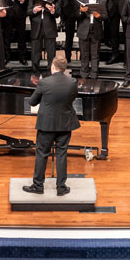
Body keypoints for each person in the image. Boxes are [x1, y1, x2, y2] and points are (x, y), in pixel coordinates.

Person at [22, 56, 80, 197]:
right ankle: (61, 187)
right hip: (65, 123)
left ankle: (38, 186)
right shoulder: (72, 82)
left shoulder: (44, 83)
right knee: (62, 154)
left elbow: (32, 102)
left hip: (47, 124)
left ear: (53, 67)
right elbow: (72, 98)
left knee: (42, 154)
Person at [75, 0, 107, 80]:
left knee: (95, 54)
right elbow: (76, 16)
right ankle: (84, 75)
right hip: (83, 30)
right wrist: (81, 12)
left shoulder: (102, 0)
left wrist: (99, 16)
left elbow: (106, 16)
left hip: (96, 30)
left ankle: (94, 75)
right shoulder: (81, 0)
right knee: (84, 54)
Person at [27, 0, 59, 75]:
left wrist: (52, 10)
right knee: (35, 53)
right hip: (36, 27)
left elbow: (58, 14)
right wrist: (34, 10)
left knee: (51, 54)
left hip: (50, 28)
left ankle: (51, 75)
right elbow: (28, 11)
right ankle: (35, 74)